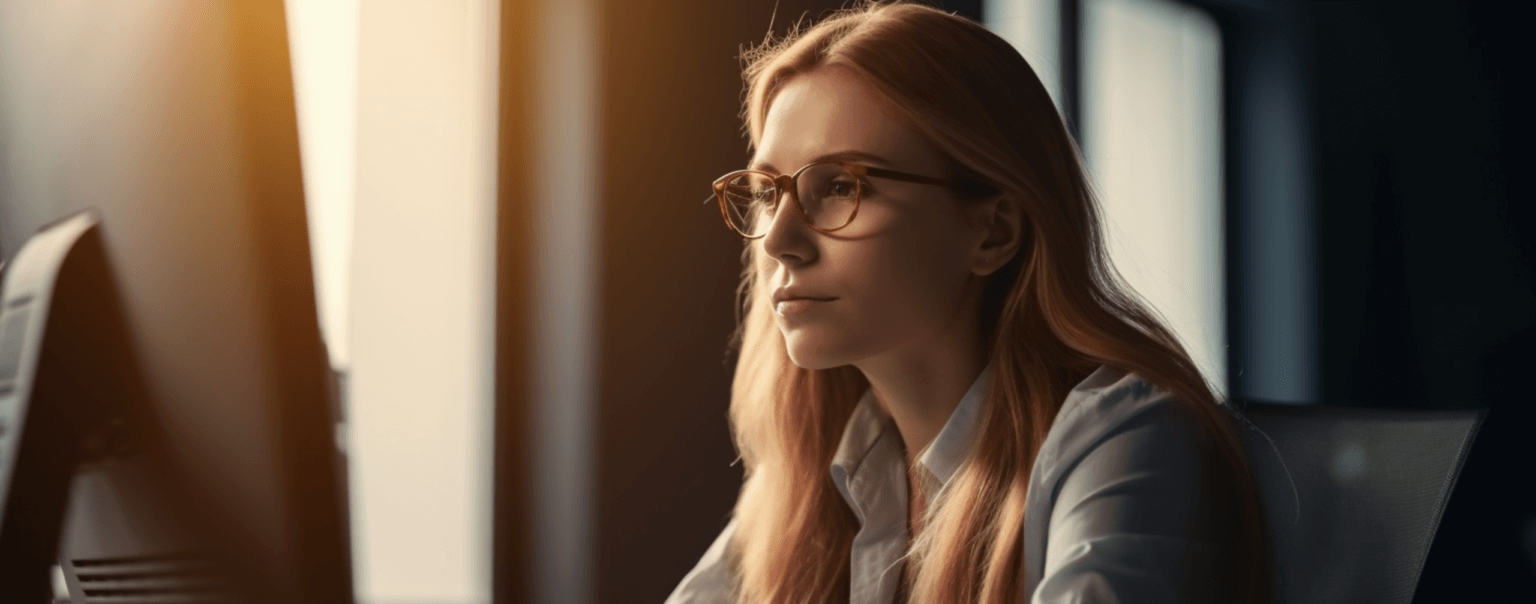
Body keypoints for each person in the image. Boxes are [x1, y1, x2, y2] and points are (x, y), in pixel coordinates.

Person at [667, 2, 1269, 602]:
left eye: (841, 186)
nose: (778, 241)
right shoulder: (807, 482)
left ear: (993, 232)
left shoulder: (1128, 439)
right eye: (769, 193)